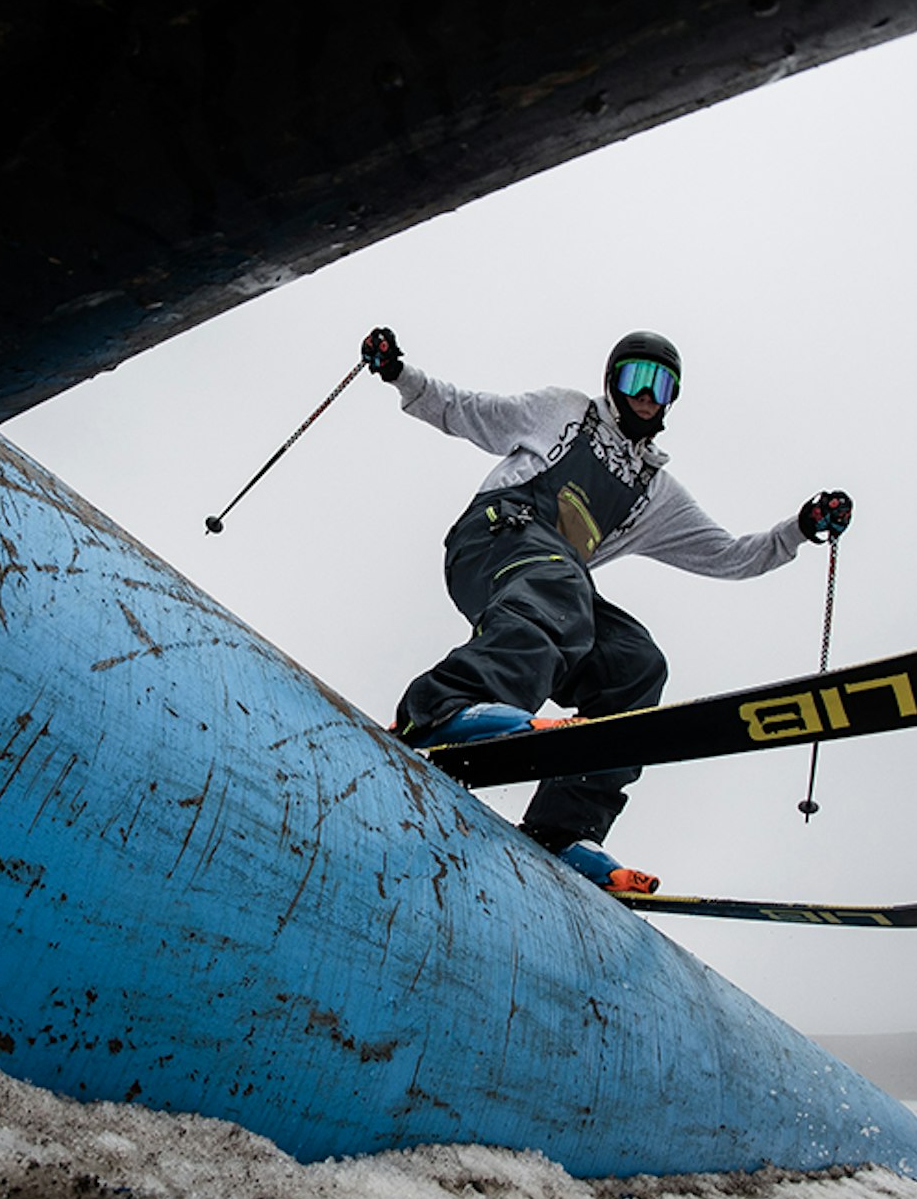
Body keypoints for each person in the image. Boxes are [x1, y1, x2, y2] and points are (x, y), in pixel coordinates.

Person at [361, 325, 851, 895]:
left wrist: (799, 529)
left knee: (635, 662)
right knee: (562, 582)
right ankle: (444, 706)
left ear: (672, 400)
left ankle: (563, 827)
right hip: (493, 540)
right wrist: (400, 373)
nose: (646, 395)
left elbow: (728, 555)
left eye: (661, 386)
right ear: (611, 382)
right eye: (635, 378)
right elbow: (468, 411)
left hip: (549, 589)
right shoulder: (564, 413)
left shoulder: (656, 493)